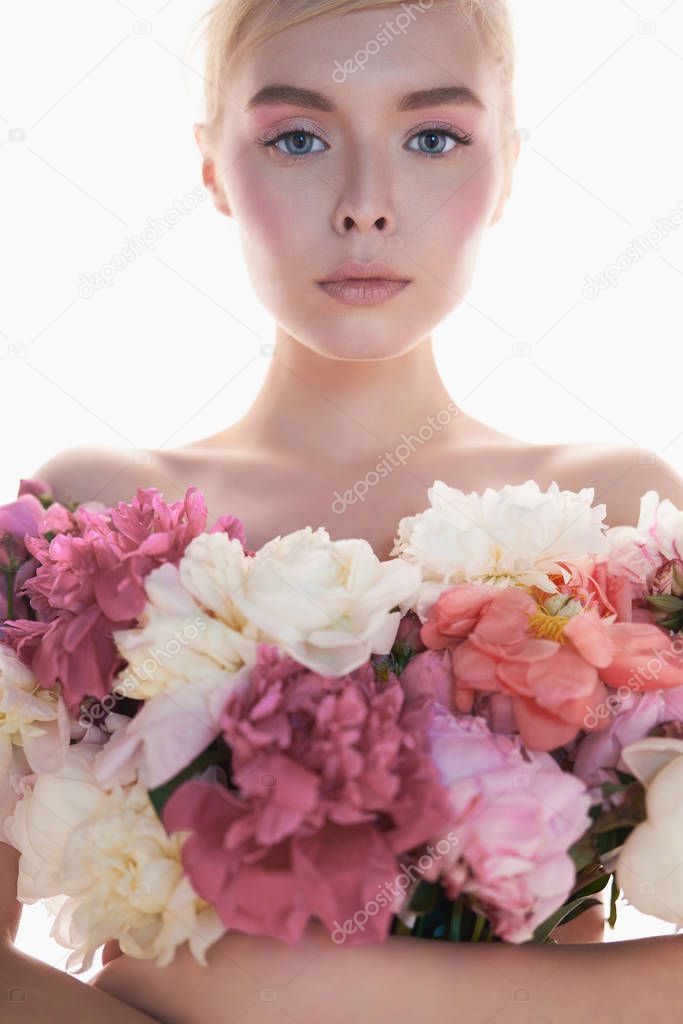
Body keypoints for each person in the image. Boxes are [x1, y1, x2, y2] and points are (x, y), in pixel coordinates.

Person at [3, 1, 683, 1021]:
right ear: (210, 169)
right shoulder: (92, 523)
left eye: (432, 138)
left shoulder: (620, 515)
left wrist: (272, 988)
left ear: (507, 168)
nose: (366, 203)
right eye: (298, 138)